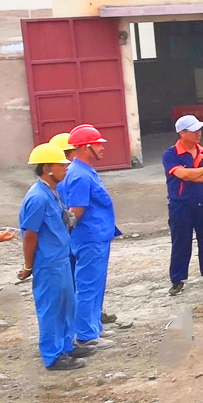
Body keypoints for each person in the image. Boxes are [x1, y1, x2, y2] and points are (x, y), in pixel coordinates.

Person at [18, 142, 81, 371]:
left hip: (60, 259)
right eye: (61, 164)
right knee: (51, 309)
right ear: (47, 168)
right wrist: (28, 265)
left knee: (66, 306)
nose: (66, 168)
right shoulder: (38, 197)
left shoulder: (50, 192)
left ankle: (66, 347)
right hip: (48, 263)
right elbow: (30, 235)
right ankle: (53, 356)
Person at [59, 123, 121, 348]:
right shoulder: (80, 175)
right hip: (90, 238)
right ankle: (85, 334)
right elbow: (76, 211)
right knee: (88, 286)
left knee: (94, 285)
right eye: (98, 144)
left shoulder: (82, 171)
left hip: (94, 236)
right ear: (85, 147)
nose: (102, 147)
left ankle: (92, 328)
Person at [162, 114, 203, 295]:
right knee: (181, 240)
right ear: (182, 133)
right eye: (194, 130)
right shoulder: (170, 154)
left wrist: (193, 174)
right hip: (180, 205)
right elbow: (182, 175)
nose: (199, 133)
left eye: (199, 129)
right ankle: (177, 279)